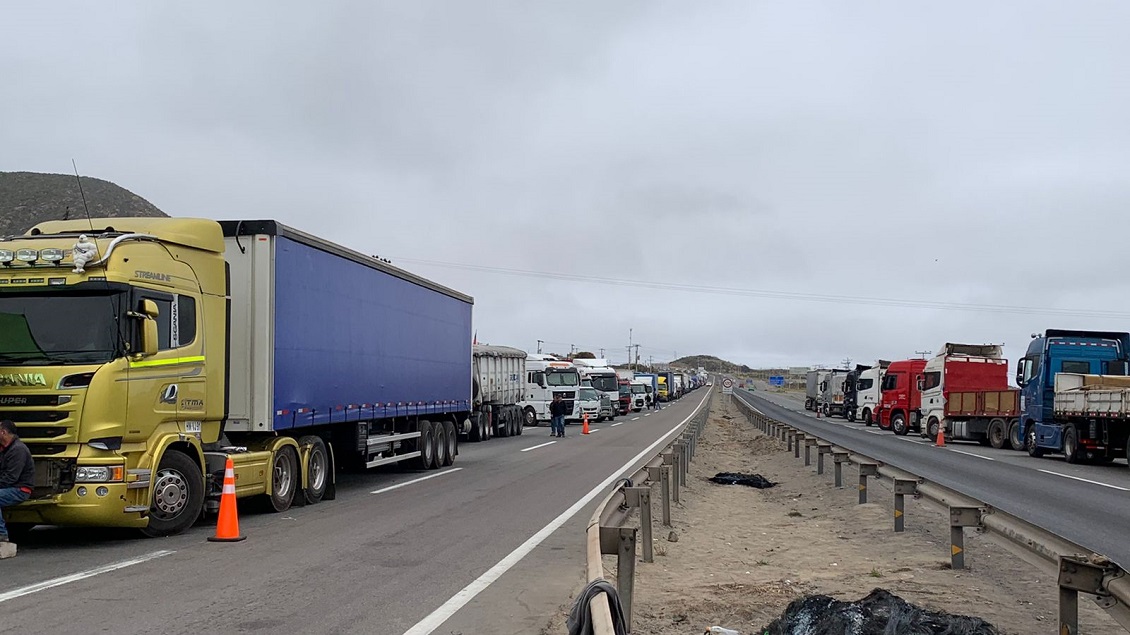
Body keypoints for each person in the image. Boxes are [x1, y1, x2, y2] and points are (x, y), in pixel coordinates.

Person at [0, 420, 34, 543]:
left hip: (20, 490)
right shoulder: (5, 449)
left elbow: (11, 478)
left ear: (3, 432)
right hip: (9, 487)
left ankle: (1, 535)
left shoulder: (18, 450)